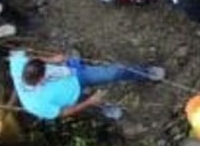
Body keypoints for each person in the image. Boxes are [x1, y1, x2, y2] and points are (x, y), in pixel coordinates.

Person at [8, 50, 164, 121]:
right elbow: (63, 113)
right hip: (74, 99)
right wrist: (89, 102)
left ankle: (145, 73)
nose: (46, 78)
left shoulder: (18, 63)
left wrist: (52, 60)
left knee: (113, 72)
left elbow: (26, 55)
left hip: (74, 74)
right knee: (97, 104)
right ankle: (103, 107)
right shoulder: (35, 105)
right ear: (38, 80)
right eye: (43, 78)